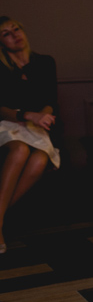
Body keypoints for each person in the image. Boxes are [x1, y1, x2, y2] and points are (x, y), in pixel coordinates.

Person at [0, 17, 60, 253]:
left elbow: (51, 100)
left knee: (39, 160)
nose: (14, 35)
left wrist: (43, 115)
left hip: (35, 127)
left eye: (16, 29)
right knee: (20, 150)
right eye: (6, 33)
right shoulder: (2, 67)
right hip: (8, 123)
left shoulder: (45, 62)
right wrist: (27, 115)